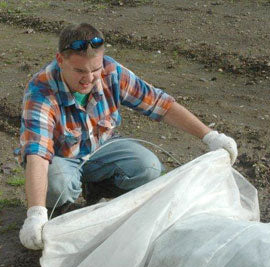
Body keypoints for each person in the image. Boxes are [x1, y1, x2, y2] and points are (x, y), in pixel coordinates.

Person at [18, 23, 237, 251]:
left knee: (148, 167)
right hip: (62, 159)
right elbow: (37, 155)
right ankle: (58, 216)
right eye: (80, 71)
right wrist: (35, 213)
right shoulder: (40, 91)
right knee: (56, 183)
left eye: (95, 69)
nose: (90, 79)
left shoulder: (111, 72)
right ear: (60, 60)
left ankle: (98, 190)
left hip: (101, 147)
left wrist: (210, 136)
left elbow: (162, 105)